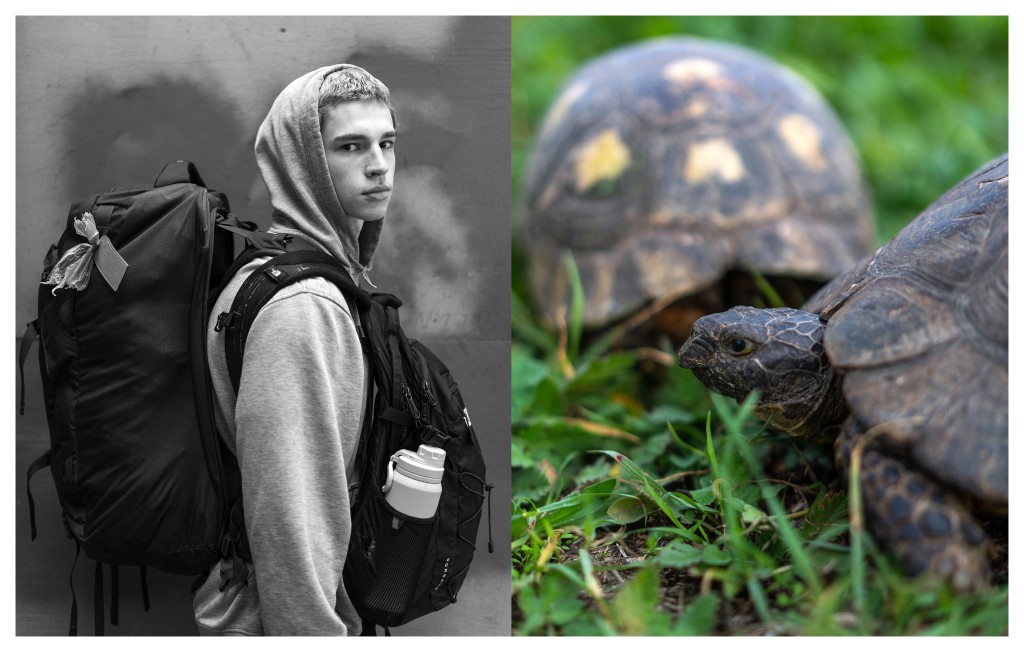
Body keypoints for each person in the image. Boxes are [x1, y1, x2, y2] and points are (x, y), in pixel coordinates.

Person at [192, 64, 396, 636]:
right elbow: (289, 517)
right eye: (350, 146)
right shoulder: (303, 309)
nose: (379, 165)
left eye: (386, 142)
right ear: (303, 162)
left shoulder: (286, 273)